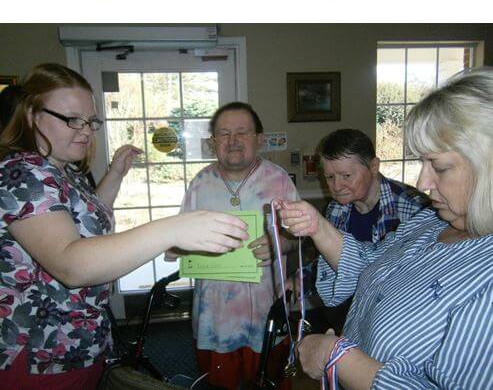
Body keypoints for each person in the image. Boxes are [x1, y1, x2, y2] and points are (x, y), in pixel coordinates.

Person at [0, 64, 248, 389]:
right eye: (72, 119)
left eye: (90, 121)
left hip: (76, 340)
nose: (87, 130)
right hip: (39, 350)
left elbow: (90, 223)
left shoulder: (61, 170)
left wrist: (116, 173)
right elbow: (70, 263)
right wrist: (172, 229)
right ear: (31, 114)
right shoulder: (23, 173)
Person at [280, 67, 493, 389]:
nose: (423, 182)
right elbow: (367, 264)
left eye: (440, 167)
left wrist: (338, 358)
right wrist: (317, 226)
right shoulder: (431, 221)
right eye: (422, 164)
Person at [166, 101, 299, 389]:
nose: (233, 141)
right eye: (223, 134)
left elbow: (299, 237)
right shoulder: (200, 183)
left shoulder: (279, 181)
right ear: (214, 142)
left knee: (270, 382)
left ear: (259, 139)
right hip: (215, 317)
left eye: (242, 132)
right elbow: (176, 242)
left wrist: (282, 243)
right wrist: (178, 246)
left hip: (266, 312)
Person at [306, 128, 428, 333]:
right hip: (348, 315)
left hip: (395, 321)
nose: (336, 186)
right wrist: (300, 278)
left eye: (346, 175)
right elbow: (328, 262)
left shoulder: (413, 209)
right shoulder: (336, 208)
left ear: (373, 166)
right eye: (329, 177)